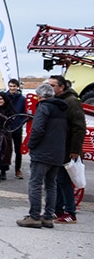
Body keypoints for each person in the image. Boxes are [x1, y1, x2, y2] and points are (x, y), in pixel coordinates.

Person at [16, 83, 67, 228]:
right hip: (58, 152)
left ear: (39, 96)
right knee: (51, 185)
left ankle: (34, 216)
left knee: (35, 184)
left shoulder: (44, 107)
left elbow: (37, 129)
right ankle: (48, 216)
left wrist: (31, 145)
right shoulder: (62, 108)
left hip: (43, 152)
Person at [48, 74, 86, 223]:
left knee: (64, 181)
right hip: (60, 147)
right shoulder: (59, 101)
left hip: (68, 148)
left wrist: (75, 150)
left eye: (53, 86)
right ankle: (58, 210)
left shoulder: (71, 102)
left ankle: (70, 212)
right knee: (58, 179)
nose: (50, 88)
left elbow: (79, 127)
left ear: (61, 87)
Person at [6, 79, 27, 178]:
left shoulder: (22, 99)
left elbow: (25, 113)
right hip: (6, 127)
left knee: (18, 150)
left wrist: (20, 122)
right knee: (5, 149)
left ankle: (18, 170)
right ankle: (3, 169)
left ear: (17, 87)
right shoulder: (4, 97)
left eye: (14, 86)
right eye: (10, 86)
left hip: (17, 128)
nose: (12, 88)